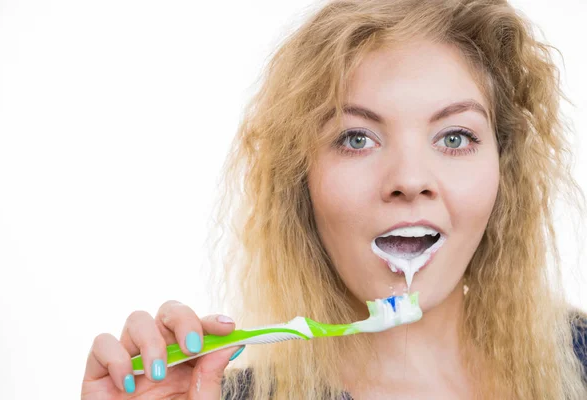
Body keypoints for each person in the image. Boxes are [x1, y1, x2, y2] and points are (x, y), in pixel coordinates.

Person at [81, 0, 587, 398]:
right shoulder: (209, 397)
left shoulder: (578, 361)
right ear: (301, 181)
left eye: (454, 137)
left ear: (505, 172)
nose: (410, 180)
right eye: (357, 138)